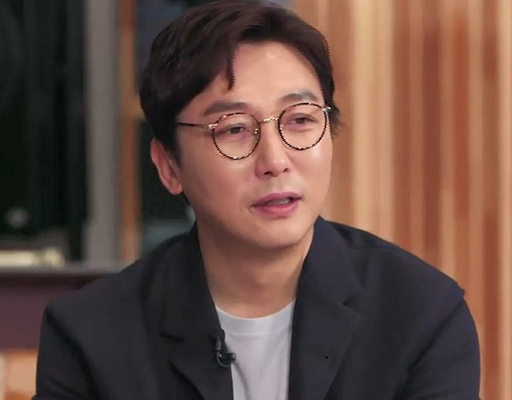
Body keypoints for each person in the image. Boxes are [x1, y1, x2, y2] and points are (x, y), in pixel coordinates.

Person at [33, 1, 481, 399]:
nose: (275, 161)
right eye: (233, 129)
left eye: (300, 120)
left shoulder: (420, 315)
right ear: (168, 165)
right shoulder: (91, 337)